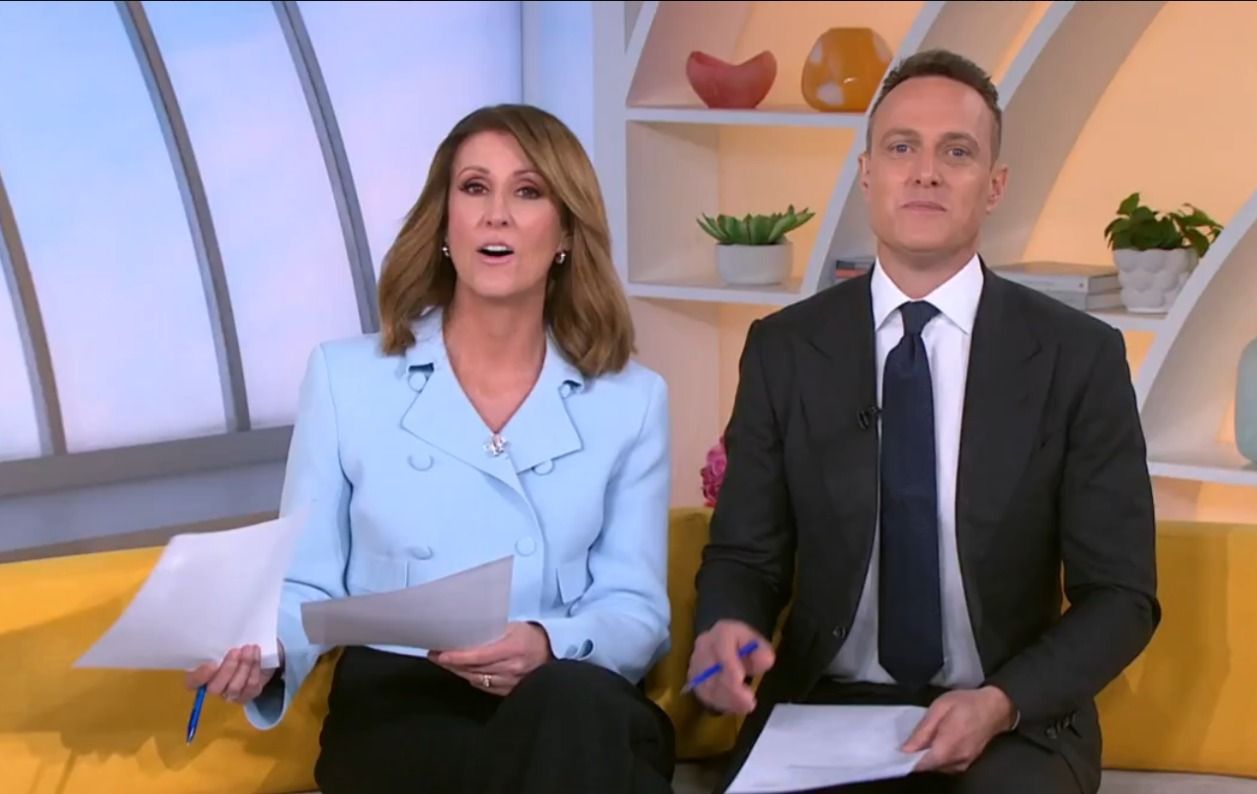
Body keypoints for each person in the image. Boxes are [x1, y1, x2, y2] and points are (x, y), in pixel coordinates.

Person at [687, 48, 1161, 793]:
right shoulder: (785, 350)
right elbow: (746, 557)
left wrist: (1001, 702)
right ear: (866, 173)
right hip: (823, 705)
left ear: (995, 185)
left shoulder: (1078, 358)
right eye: (902, 147)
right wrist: (725, 631)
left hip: (1010, 716)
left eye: (957, 152)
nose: (926, 172)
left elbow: (1121, 595)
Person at [183, 104, 676, 794]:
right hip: (402, 705)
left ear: (566, 230)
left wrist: (547, 645)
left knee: (571, 708)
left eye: (527, 192)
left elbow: (636, 609)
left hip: (564, 689)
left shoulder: (631, 399)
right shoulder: (346, 379)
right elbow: (306, 584)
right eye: (474, 188)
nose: (496, 215)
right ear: (444, 223)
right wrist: (262, 652)